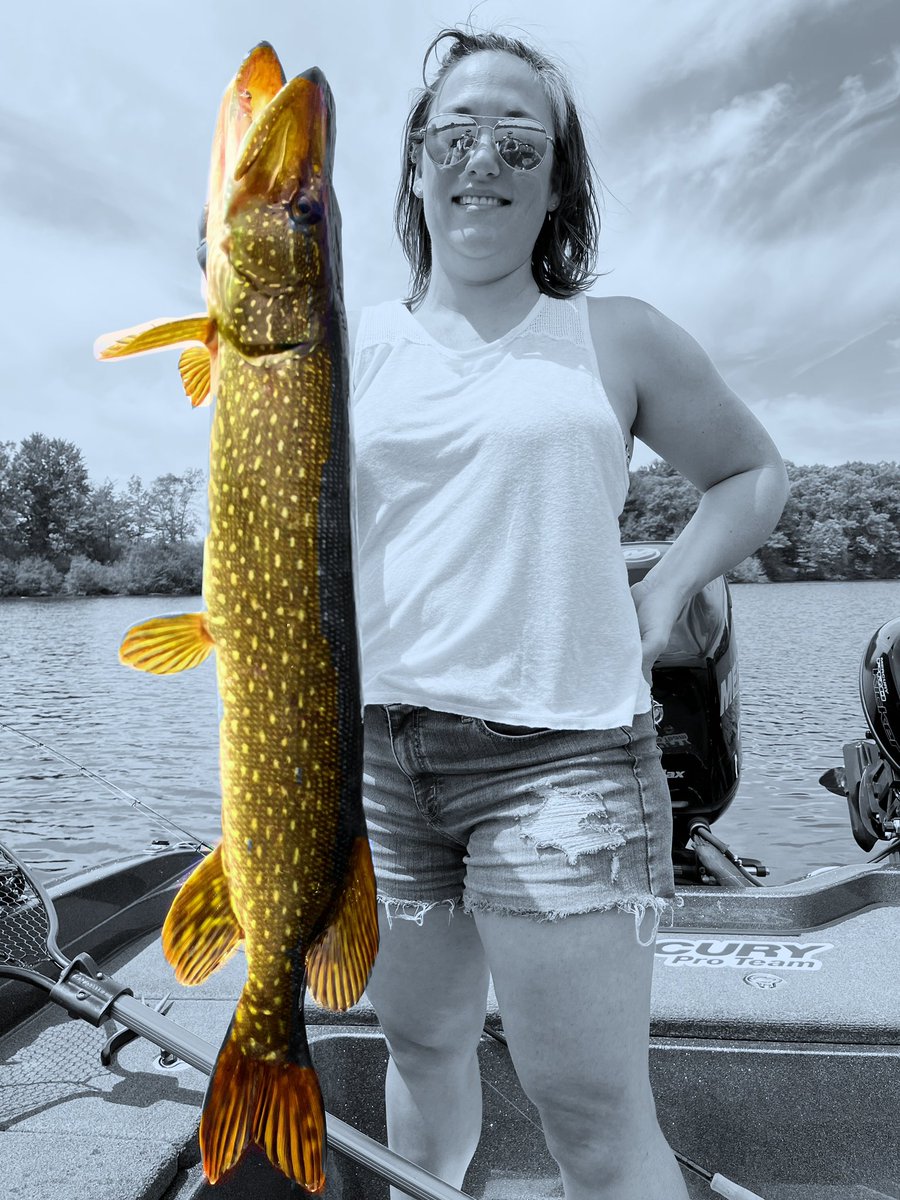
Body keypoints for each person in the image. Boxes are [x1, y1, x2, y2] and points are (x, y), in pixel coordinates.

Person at [349, 26, 789, 1200]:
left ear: (555, 177)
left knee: (587, 1111)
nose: (481, 155)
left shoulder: (616, 334)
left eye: (516, 136)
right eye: (455, 132)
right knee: (423, 1047)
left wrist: (667, 586)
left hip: (569, 769)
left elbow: (753, 474)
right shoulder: (346, 348)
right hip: (384, 767)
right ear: (415, 164)